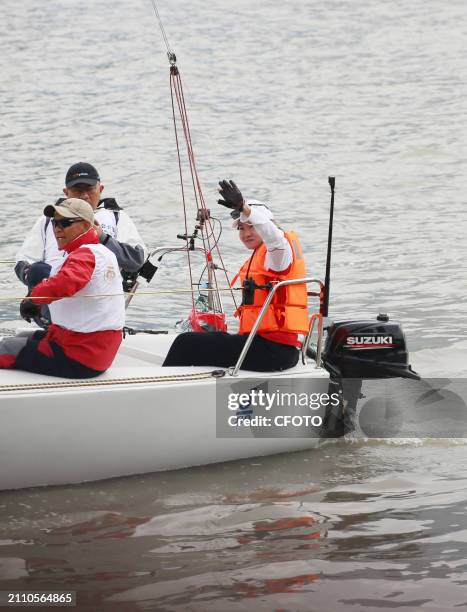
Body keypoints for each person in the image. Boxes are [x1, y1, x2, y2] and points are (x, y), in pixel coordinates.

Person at [163, 180, 310, 372]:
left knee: (185, 344)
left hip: (274, 350)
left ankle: (159, 392)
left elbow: (274, 237)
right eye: (241, 228)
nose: (246, 233)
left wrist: (245, 209)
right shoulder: (261, 254)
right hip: (261, 343)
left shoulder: (278, 254)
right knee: (194, 341)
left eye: (251, 226)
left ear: (264, 225)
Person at [0, 198, 125, 378]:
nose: (57, 228)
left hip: (78, 356)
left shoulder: (85, 254)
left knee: (6, 348)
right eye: (55, 222)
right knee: (21, 338)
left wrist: (33, 300)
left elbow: (65, 282)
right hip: (91, 349)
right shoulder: (101, 252)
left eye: (65, 223)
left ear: (86, 225)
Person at [14, 162, 148, 296]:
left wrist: (103, 238)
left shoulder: (117, 217)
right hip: (53, 294)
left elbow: (137, 261)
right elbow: (24, 261)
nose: (84, 195)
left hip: (100, 297)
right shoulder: (47, 220)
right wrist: (36, 281)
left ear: (100, 189)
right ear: (66, 192)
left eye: (90, 189)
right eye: (78, 190)